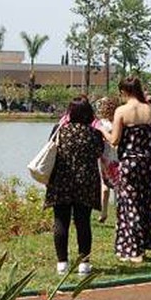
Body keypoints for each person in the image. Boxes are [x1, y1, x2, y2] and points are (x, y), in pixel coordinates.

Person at [99, 77, 151, 263]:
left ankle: (133, 249)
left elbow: (114, 140)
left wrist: (101, 130)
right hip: (149, 163)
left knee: (129, 203)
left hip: (129, 163)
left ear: (124, 92)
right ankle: (144, 244)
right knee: (145, 201)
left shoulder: (121, 111)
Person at [45, 96, 104, 275]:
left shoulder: (59, 130)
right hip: (85, 182)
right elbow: (99, 152)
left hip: (61, 181)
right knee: (83, 222)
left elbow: (50, 148)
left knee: (60, 221)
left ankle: (62, 263)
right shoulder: (94, 134)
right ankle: (84, 264)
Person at [96, 96, 120, 223]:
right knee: (118, 187)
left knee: (104, 185)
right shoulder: (120, 121)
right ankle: (118, 216)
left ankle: (104, 212)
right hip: (117, 157)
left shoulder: (101, 123)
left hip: (105, 157)